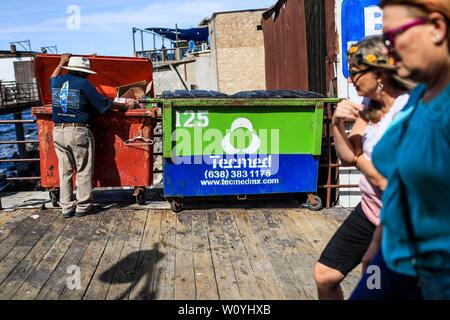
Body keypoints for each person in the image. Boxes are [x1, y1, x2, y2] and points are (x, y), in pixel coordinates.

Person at [351, 0, 450, 300]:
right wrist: (376, 245)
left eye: (393, 37)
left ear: (436, 28)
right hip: (390, 257)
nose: (388, 50)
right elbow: (400, 185)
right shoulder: (422, 94)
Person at [313, 36, 414, 300]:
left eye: (356, 73)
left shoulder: (407, 112)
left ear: (379, 72)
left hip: (396, 222)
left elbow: (387, 182)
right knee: (325, 276)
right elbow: (349, 156)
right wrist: (336, 123)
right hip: (369, 212)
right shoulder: (372, 106)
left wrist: (360, 162)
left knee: (374, 288)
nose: (350, 80)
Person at [50, 54, 135, 218]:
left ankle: (66, 207)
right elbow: (105, 104)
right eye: (86, 72)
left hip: (58, 131)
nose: (88, 75)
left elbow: (53, 76)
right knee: (83, 170)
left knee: (65, 171)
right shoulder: (84, 83)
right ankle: (83, 206)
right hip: (78, 132)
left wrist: (61, 63)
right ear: (82, 72)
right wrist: (125, 104)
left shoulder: (56, 81)